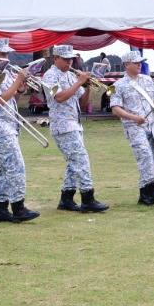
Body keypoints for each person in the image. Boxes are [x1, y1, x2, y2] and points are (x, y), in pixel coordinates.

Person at [43, 45, 109, 212]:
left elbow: (83, 103)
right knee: (81, 159)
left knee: (74, 162)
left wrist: (87, 86)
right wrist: (80, 82)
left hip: (74, 123)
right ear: (55, 58)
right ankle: (87, 198)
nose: (69, 62)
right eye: (65, 59)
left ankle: (66, 198)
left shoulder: (71, 76)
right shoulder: (50, 76)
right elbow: (59, 97)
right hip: (62, 125)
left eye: (71, 59)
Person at [0, 40, 39, 223]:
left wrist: (19, 88)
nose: (6, 57)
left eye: (7, 54)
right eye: (2, 54)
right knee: (16, 165)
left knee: (5, 168)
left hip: (8, 124)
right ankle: (18, 207)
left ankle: (0, 209)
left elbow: (11, 98)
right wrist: (18, 80)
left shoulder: (5, 72)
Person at [110, 48, 154, 206]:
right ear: (126, 64)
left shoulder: (147, 80)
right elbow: (115, 109)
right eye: (136, 63)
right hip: (134, 126)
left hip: (152, 124)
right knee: (144, 155)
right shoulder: (117, 85)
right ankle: (152, 189)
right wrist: (134, 118)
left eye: (140, 62)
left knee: (152, 158)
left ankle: (145, 194)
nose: (139, 65)